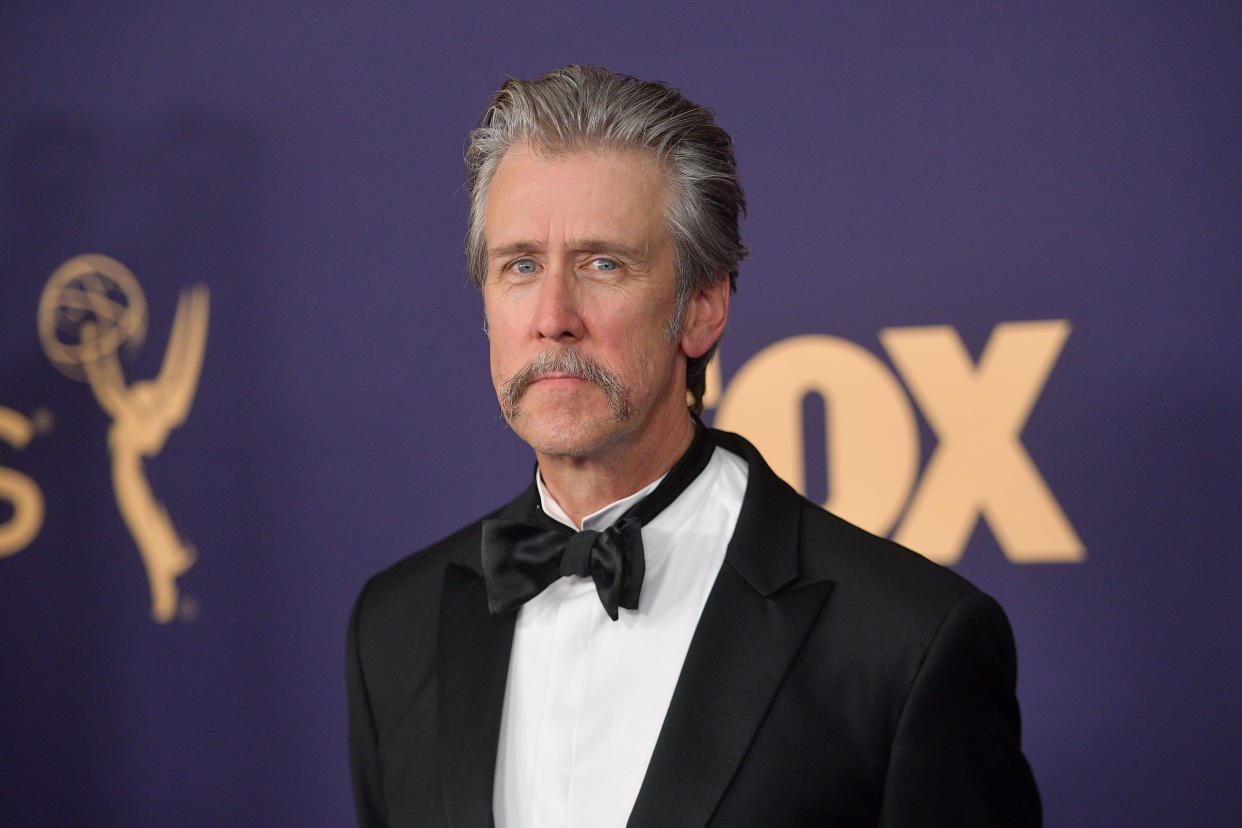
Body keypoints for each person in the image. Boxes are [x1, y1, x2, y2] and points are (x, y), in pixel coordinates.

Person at [346, 65, 1041, 827]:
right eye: (520, 266)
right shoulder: (395, 629)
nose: (553, 316)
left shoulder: (904, 644)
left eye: (602, 264)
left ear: (703, 308)